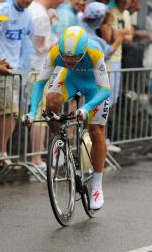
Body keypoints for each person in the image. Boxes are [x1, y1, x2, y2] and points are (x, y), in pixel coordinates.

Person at [23, 26, 111, 210]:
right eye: (66, 57)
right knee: (51, 100)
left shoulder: (94, 52)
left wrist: (87, 108)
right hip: (70, 80)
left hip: (95, 89)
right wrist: (32, 112)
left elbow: (105, 90)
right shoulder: (56, 52)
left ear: (84, 51)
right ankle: (59, 141)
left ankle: (96, 186)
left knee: (96, 132)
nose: (70, 60)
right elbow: (40, 84)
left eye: (75, 57)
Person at [0, 0, 38, 168]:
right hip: (1, 68)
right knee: (8, 112)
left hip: (16, 70)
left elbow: (26, 43)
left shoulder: (28, 15)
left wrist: (24, 68)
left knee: (13, 114)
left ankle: (1, 153)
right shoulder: (3, 10)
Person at [27, 0, 69, 170]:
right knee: (39, 113)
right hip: (37, 68)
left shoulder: (35, 9)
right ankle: (36, 159)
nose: (63, 2)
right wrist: (57, 44)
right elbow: (40, 47)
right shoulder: (41, 14)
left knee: (37, 111)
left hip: (32, 66)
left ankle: (36, 156)